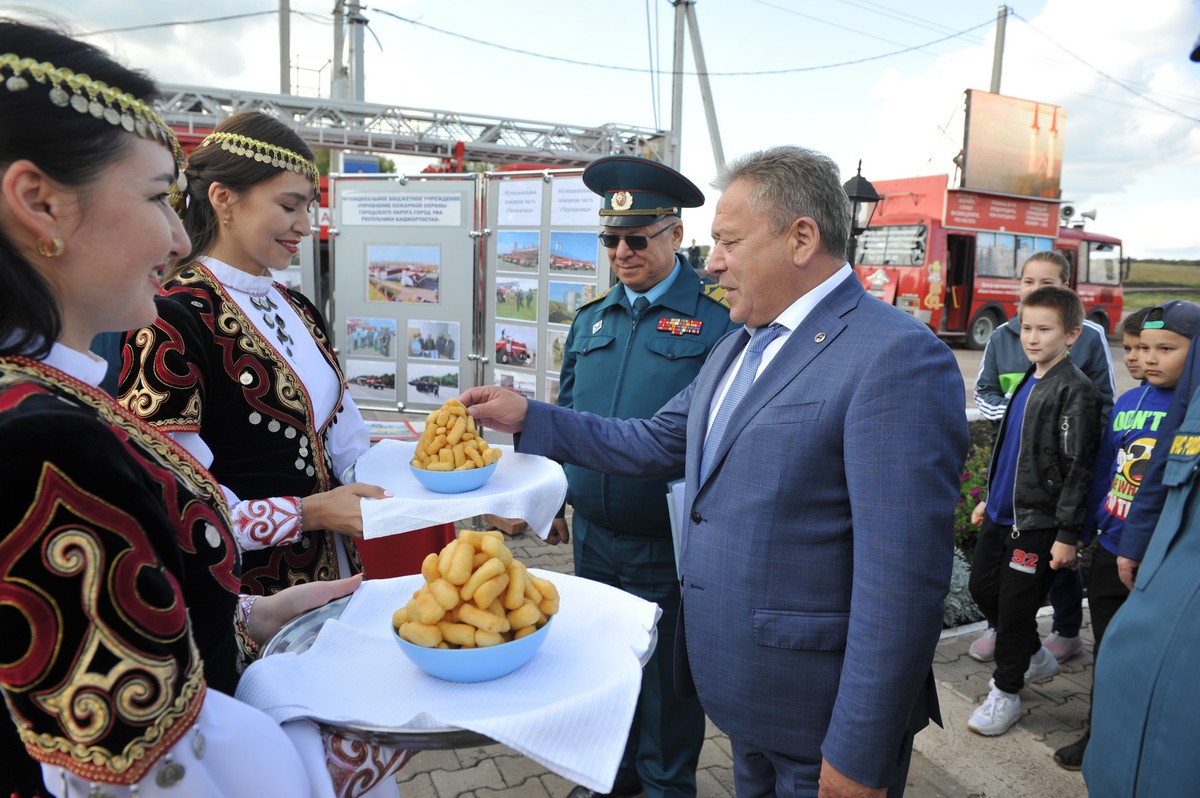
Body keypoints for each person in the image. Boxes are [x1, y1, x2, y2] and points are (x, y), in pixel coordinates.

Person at [461, 145, 968, 797]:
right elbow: (651, 442)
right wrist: (529, 416)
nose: (714, 260)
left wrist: (861, 752)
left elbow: (900, 581)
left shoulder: (894, 358)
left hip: (818, 727)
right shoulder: (738, 346)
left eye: (727, 241)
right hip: (746, 705)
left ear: (801, 239)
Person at [0, 21, 408, 797]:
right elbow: (142, 770)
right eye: (159, 197)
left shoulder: (56, 390)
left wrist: (248, 619)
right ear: (39, 202)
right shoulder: (44, 435)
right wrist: (352, 756)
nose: (174, 233)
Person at [119, 111, 452, 594]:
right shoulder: (171, 317)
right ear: (224, 199)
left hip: (338, 575)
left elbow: (345, 441)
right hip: (244, 596)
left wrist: (443, 471)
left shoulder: (296, 306)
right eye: (290, 206)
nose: (305, 225)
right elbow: (169, 502)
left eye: (309, 207)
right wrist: (309, 512)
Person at [550, 155, 737, 798]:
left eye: (638, 238)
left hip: (667, 543)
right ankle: (613, 776)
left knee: (663, 685)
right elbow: (569, 414)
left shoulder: (719, 320)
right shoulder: (590, 319)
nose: (622, 252)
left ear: (676, 235)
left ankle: (663, 787)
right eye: (610, 239)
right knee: (603, 667)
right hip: (594, 536)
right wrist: (553, 495)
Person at [1051, 301, 1200, 770]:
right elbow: (1101, 473)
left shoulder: (1189, 409)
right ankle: (1098, 737)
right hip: (1113, 549)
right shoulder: (1128, 403)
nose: (1149, 358)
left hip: (1162, 561)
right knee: (1110, 652)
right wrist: (1083, 533)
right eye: (1141, 348)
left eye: (1165, 349)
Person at [965, 286, 1102, 737]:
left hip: (1038, 525)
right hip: (1003, 513)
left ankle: (1006, 692)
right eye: (1026, 327)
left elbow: (1077, 466)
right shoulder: (1029, 377)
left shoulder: (1075, 390)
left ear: (1072, 334)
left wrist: (1067, 533)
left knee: (1016, 606)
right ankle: (1037, 657)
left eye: (1045, 329)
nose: (1032, 337)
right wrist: (990, 496)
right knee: (983, 589)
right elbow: (1012, 452)